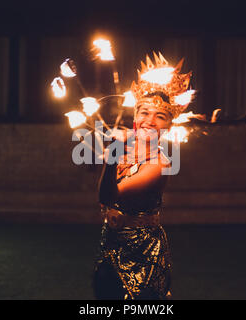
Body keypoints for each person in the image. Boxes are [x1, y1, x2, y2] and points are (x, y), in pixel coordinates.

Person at [92, 52, 193, 300]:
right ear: (135, 117)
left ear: (170, 125)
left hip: (144, 251)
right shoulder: (126, 144)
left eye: (160, 116)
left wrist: (111, 157)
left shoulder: (161, 164)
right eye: (144, 113)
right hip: (111, 243)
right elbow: (105, 203)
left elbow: (108, 195)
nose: (150, 121)